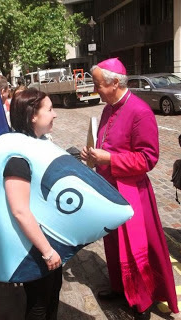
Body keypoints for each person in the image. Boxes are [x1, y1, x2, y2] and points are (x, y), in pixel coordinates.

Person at [80, 58, 179, 319]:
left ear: (114, 83)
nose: (95, 89)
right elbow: (105, 143)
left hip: (132, 192)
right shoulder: (107, 108)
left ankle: (141, 299)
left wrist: (110, 159)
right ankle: (120, 288)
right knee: (113, 244)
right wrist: (91, 154)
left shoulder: (140, 111)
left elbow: (148, 159)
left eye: (98, 84)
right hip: (108, 188)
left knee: (136, 248)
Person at [4, 88, 61, 319]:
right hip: (34, 244)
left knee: (52, 294)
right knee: (39, 303)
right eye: (49, 109)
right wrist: (47, 252)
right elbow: (19, 210)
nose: (55, 114)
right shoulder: (19, 157)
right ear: (33, 116)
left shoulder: (39, 144)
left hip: (44, 236)